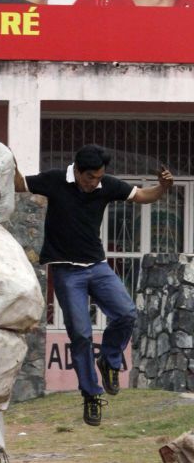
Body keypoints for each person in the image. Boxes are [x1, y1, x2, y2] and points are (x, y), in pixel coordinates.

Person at [14, 145, 173, 426]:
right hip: (66, 272)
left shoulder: (106, 185)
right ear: (77, 171)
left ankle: (109, 361)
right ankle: (91, 395)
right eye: (90, 178)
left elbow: (142, 196)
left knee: (126, 313)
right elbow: (19, 184)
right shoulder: (54, 180)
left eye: (99, 177)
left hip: (98, 267)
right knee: (82, 335)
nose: (95, 183)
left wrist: (162, 188)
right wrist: (8, 159)